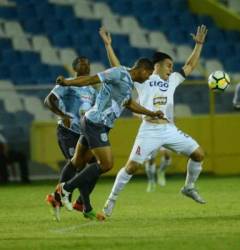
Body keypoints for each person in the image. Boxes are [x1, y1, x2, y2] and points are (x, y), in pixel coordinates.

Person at [99, 25, 208, 218]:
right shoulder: (144, 79)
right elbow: (119, 70)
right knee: (131, 167)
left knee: (199, 154)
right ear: (156, 65)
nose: (171, 69)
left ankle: (188, 187)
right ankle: (111, 200)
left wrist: (198, 45)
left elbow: (190, 65)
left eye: (172, 67)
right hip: (149, 130)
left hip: (169, 129)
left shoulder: (173, 79)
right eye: (169, 65)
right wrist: (108, 46)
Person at [55, 58, 164, 221]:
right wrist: (67, 82)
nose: (148, 78)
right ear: (142, 70)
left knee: (77, 161)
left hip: (96, 123)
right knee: (106, 164)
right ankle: (65, 189)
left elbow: (129, 104)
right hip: (95, 123)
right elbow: (92, 79)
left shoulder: (128, 81)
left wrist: (151, 113)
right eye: (148, 74)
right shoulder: (118, 73)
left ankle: (83, 205)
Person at [44, 56, 97, 221]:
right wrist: (62, 114)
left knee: (95, 166)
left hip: (83, 133)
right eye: (82, 63)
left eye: (88, 63)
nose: (86, 65)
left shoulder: (91, 90)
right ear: (75, 67)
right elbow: (48, 100)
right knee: (78, 167)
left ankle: (76, 201)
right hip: (67, 132)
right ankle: (85, 206)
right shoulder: (67, 83)